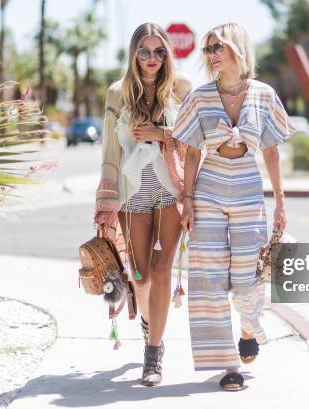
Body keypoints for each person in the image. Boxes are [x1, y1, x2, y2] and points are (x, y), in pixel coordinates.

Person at [172, 22, 294, 391]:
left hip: (247, 189)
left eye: (217, 46)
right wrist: (188, 200)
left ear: (237, 49)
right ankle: (228, 365)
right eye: (208, 48)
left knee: (248, 276)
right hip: (209, 188)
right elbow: (191, 153)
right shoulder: (199, 97)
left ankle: (248, 329)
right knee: (208, 277)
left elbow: (271, 152)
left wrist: (280, 201)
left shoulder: (264, 95)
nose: (211, 54)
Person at [93, 22, 192, 387]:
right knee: (142, 275)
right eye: (145, 51)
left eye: (160, 51)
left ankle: (153, 355)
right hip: (132, 193)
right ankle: (150, 319)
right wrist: (105, 201)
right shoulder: (117, 93)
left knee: (163, 269)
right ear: (134, 53)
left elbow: (194, 141)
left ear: (168, 54)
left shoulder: (181, 89)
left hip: (170, 190)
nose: (152, 59)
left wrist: (161, 133)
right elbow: (109, 150)